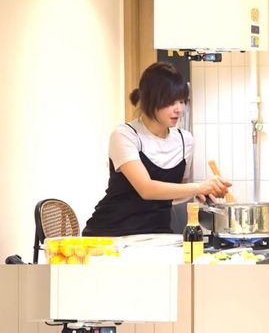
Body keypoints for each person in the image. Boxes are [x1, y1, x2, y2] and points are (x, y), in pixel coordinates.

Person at [83, 62, 230, 235]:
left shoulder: (185, 141)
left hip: (157, 234)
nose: (179, 109)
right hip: (112, 233)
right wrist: (198, 187)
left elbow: (173, 193)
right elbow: (146, 189)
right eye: (170, 102)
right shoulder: (125, 135)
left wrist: (200, 192)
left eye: (182, 101)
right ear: (151, 100)